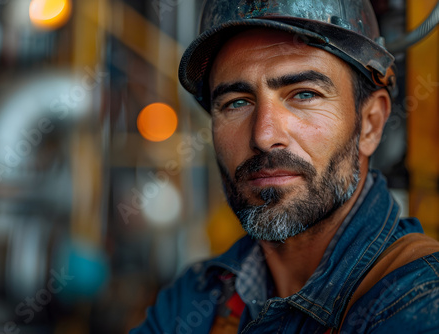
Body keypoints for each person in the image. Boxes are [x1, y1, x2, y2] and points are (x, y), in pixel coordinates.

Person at [132, 0, 439, 333]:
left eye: (304, 94)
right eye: (237, 103)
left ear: (370, 123)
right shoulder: (193, 299)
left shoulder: (419, 302)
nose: (264, 136)